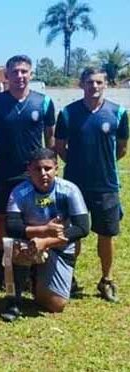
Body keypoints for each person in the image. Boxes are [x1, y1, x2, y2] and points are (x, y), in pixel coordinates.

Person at [0, 55, 56, 290]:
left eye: (24, 71)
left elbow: (50, 138)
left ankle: (32, 272)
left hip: (33, 175)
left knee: (34, 220)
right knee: (0, 220)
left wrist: (50, 169)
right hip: (2, 172)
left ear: (31, 74)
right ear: (6, 75)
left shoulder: (43, 102)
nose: (20, 76)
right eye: (15, 72)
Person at [54, 67, 128, 302]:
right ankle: (70, 277)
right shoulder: (68, 113)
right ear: (81, 84)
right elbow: (60, 147)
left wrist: (101, 164)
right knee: (72, 233)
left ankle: (106, 280)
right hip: (74, 185)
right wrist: (77, 164)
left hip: (106, 185)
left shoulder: (118, 113)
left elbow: (122, 148)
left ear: (105, 84)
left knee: (106, 234)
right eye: (89, 82)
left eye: (98, 82)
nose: (94, 86)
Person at [3, 148, 90, 320]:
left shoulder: (70, 190)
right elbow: (11, 226)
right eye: (37, 169)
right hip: (29, 243)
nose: (43, 173)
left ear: (56, 168)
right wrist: (43, 231)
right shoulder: (19, 191)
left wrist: (46, 242)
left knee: (55, 305)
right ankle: (13, 300)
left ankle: (35, 278)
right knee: (13, 248)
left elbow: (82, 228)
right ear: (29, 170)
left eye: (48, 168)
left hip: (58, 247)